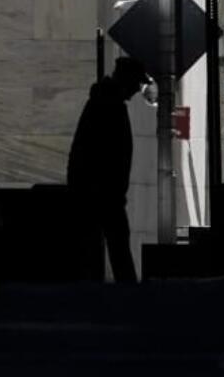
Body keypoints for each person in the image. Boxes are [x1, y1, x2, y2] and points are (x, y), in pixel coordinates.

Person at [67, 55, 151, 284]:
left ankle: (102, 295)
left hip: (99, 194)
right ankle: (126, 299)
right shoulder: (109, 106)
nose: (136, 90)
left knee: (101, 247)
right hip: (103, 195)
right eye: (135, 83)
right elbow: (106, 155)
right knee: (115, 247)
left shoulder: (103, 103)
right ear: (127, 80)